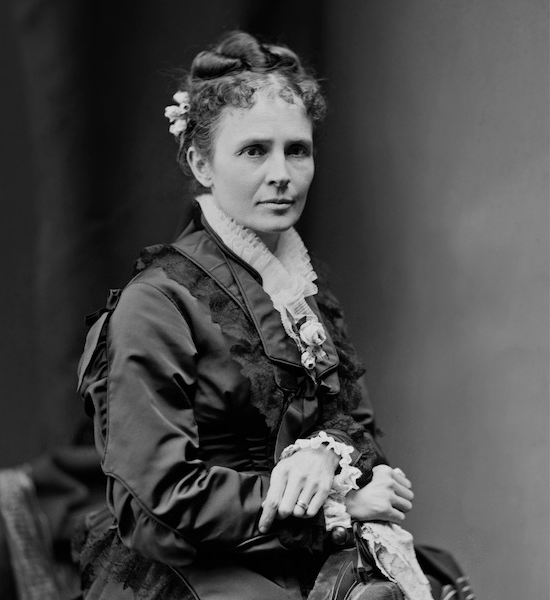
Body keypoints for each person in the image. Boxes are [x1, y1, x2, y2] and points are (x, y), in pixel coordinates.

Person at [75, 32, 432, 599]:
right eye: (252, 151)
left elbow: (355, 430)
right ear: (201, 163)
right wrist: (335, 506)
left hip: (297, 556)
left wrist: (327, 456)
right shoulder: (158, 303)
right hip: (197, 570)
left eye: (297, 150)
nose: (282, 173)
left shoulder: (297, 290)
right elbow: (157, 504)